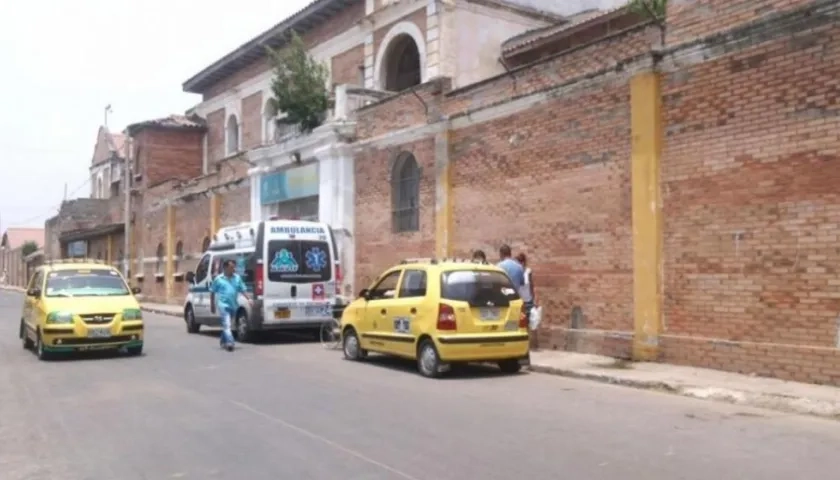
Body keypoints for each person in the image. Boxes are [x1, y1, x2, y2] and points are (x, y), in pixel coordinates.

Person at [210, 259, 251, 351]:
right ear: (225, 268)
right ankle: (230, 343)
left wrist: (249, 299)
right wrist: (212, 305)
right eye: (231, 267)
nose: (233, 269)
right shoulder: (218, 279)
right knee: (227, 324)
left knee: (227, 325)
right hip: (223, 305)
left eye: (234, 267)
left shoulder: (237, 278)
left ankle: (223, 341)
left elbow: (243, 289)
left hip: (233, 305)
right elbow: (212, 291)